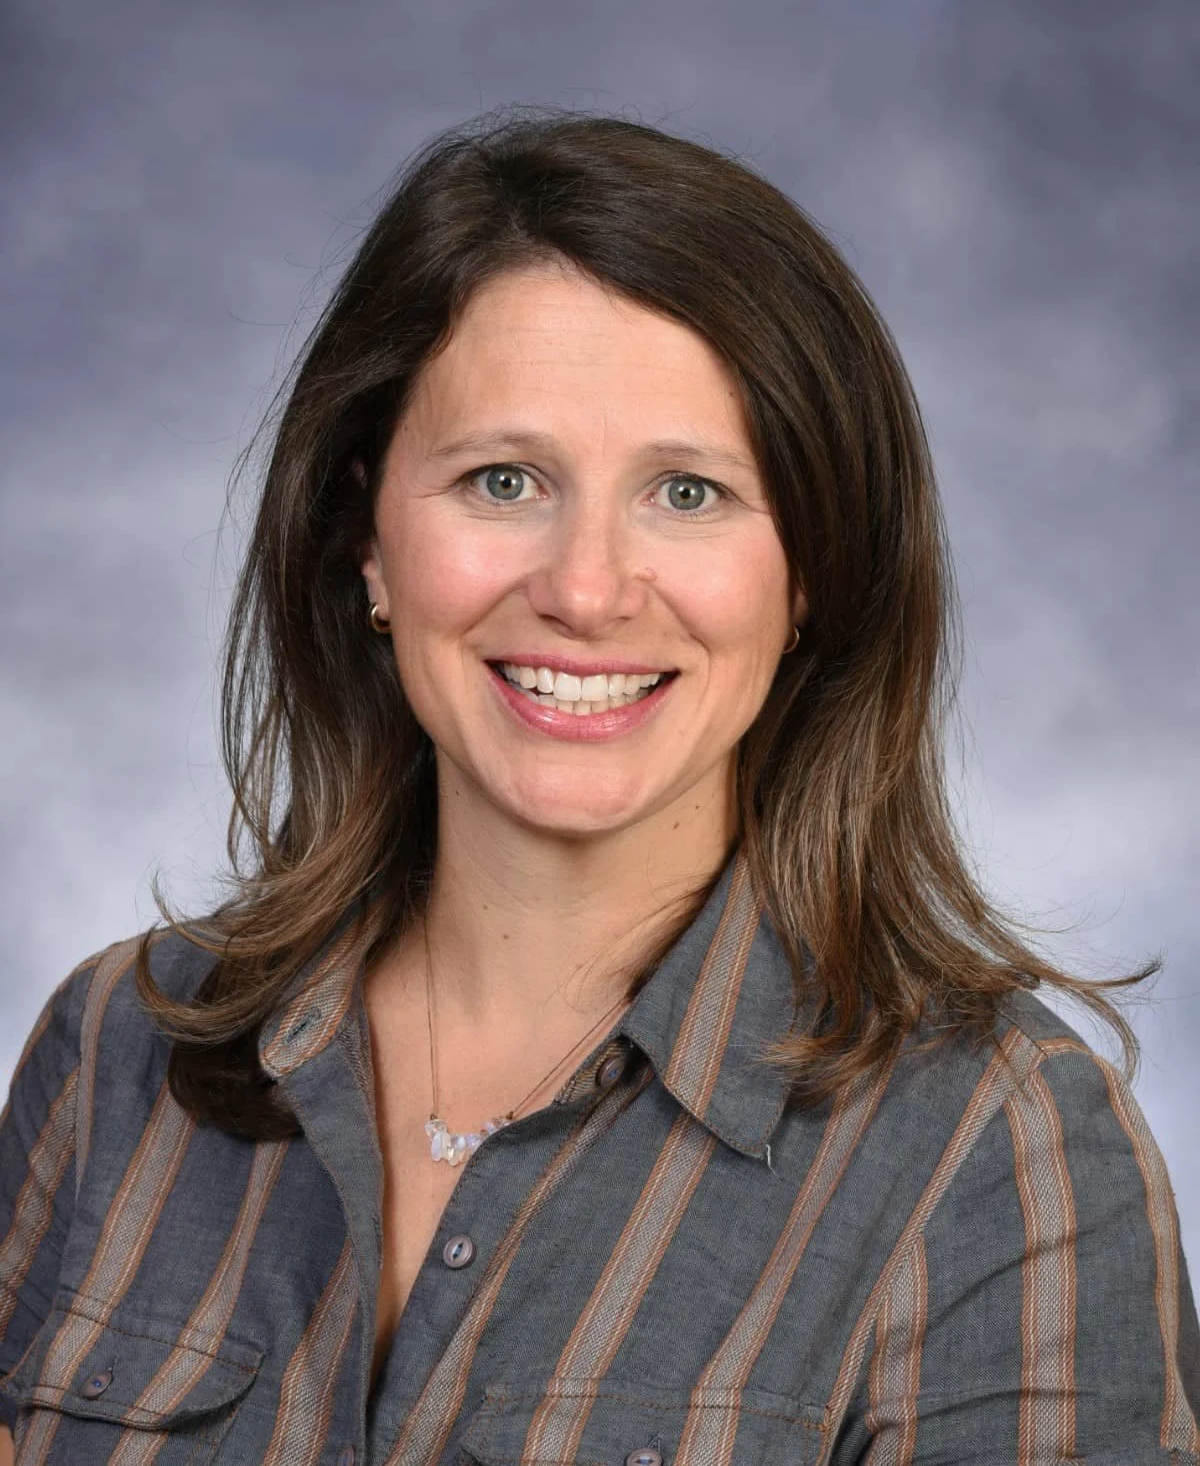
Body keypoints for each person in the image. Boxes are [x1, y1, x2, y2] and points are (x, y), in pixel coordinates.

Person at [1, 109, 1196, 1466]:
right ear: (368, 541)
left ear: (808, 572)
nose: (583, 590)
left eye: (686, 494)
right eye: (502, 480)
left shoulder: (993, 1150)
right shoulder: (120, 1057)